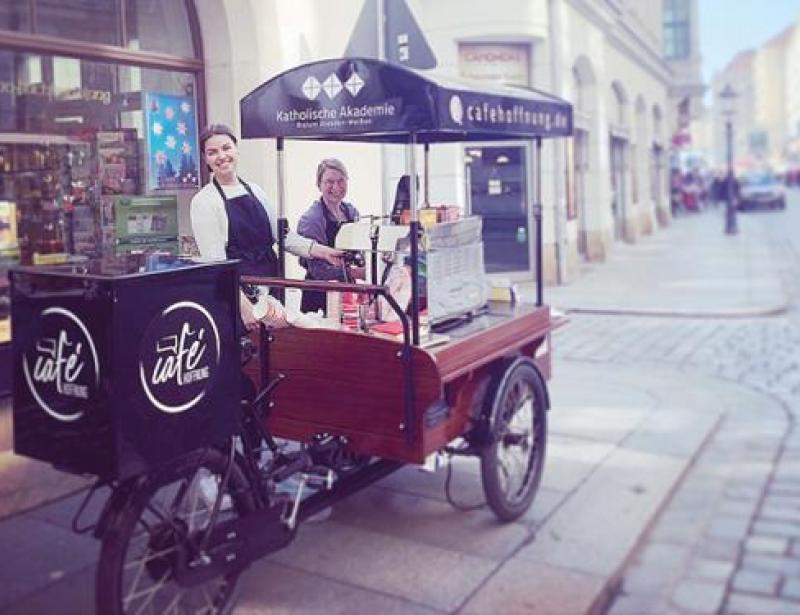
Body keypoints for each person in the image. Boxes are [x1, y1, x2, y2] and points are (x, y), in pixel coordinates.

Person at [190, 124, 343, 331]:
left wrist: (323, 252)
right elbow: (217, 267)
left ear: (236, 149)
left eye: (226, 148)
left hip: (273, 285)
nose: (221, 156)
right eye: (212, 152)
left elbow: (283, 238)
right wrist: (245, 307)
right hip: (241, 295)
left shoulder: (256, 190)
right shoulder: (204, 201)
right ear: (205, 158)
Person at [297, 158, 362, 314]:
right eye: (329, 182)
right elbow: (319, 271)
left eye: (341, 181)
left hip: (347, 290)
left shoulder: (351, 212)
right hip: (319, 294)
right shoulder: (311, 219)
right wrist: (357, 272)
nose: (336, 187)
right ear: (319, 185)